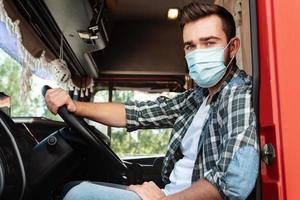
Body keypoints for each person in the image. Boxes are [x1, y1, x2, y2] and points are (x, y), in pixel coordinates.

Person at [45, 2, 259, 200]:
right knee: (74, 188)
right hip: (168, 193)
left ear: (232, 47)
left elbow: (234, 182)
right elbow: (137, 113)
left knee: (76, 195)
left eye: (209, 43)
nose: (197, 53)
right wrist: (76, 106)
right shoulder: (199, 98)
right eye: (190, 46)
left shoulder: (237, 94)